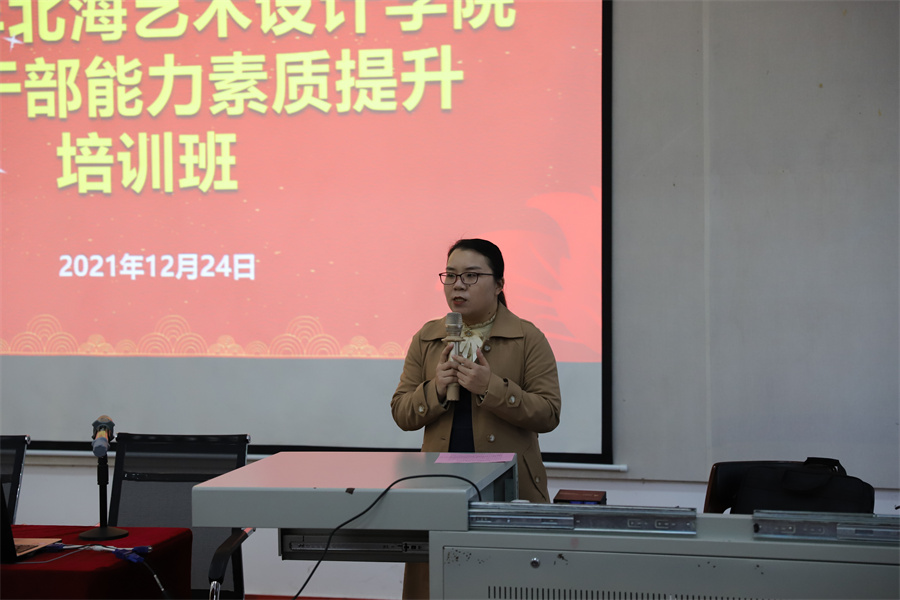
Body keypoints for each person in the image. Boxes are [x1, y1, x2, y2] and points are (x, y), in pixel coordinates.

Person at [391, 238, 562, 599]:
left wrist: (491, 388)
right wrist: (436, 389)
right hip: (440, 488)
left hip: (508, 489)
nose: (458, 285)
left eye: (471, 276)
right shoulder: (428, 338)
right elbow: (402, 412)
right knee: (437, 583)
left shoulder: (527, 337)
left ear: (499, 284)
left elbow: (548, 412)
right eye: (450, 276)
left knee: (507, 585)